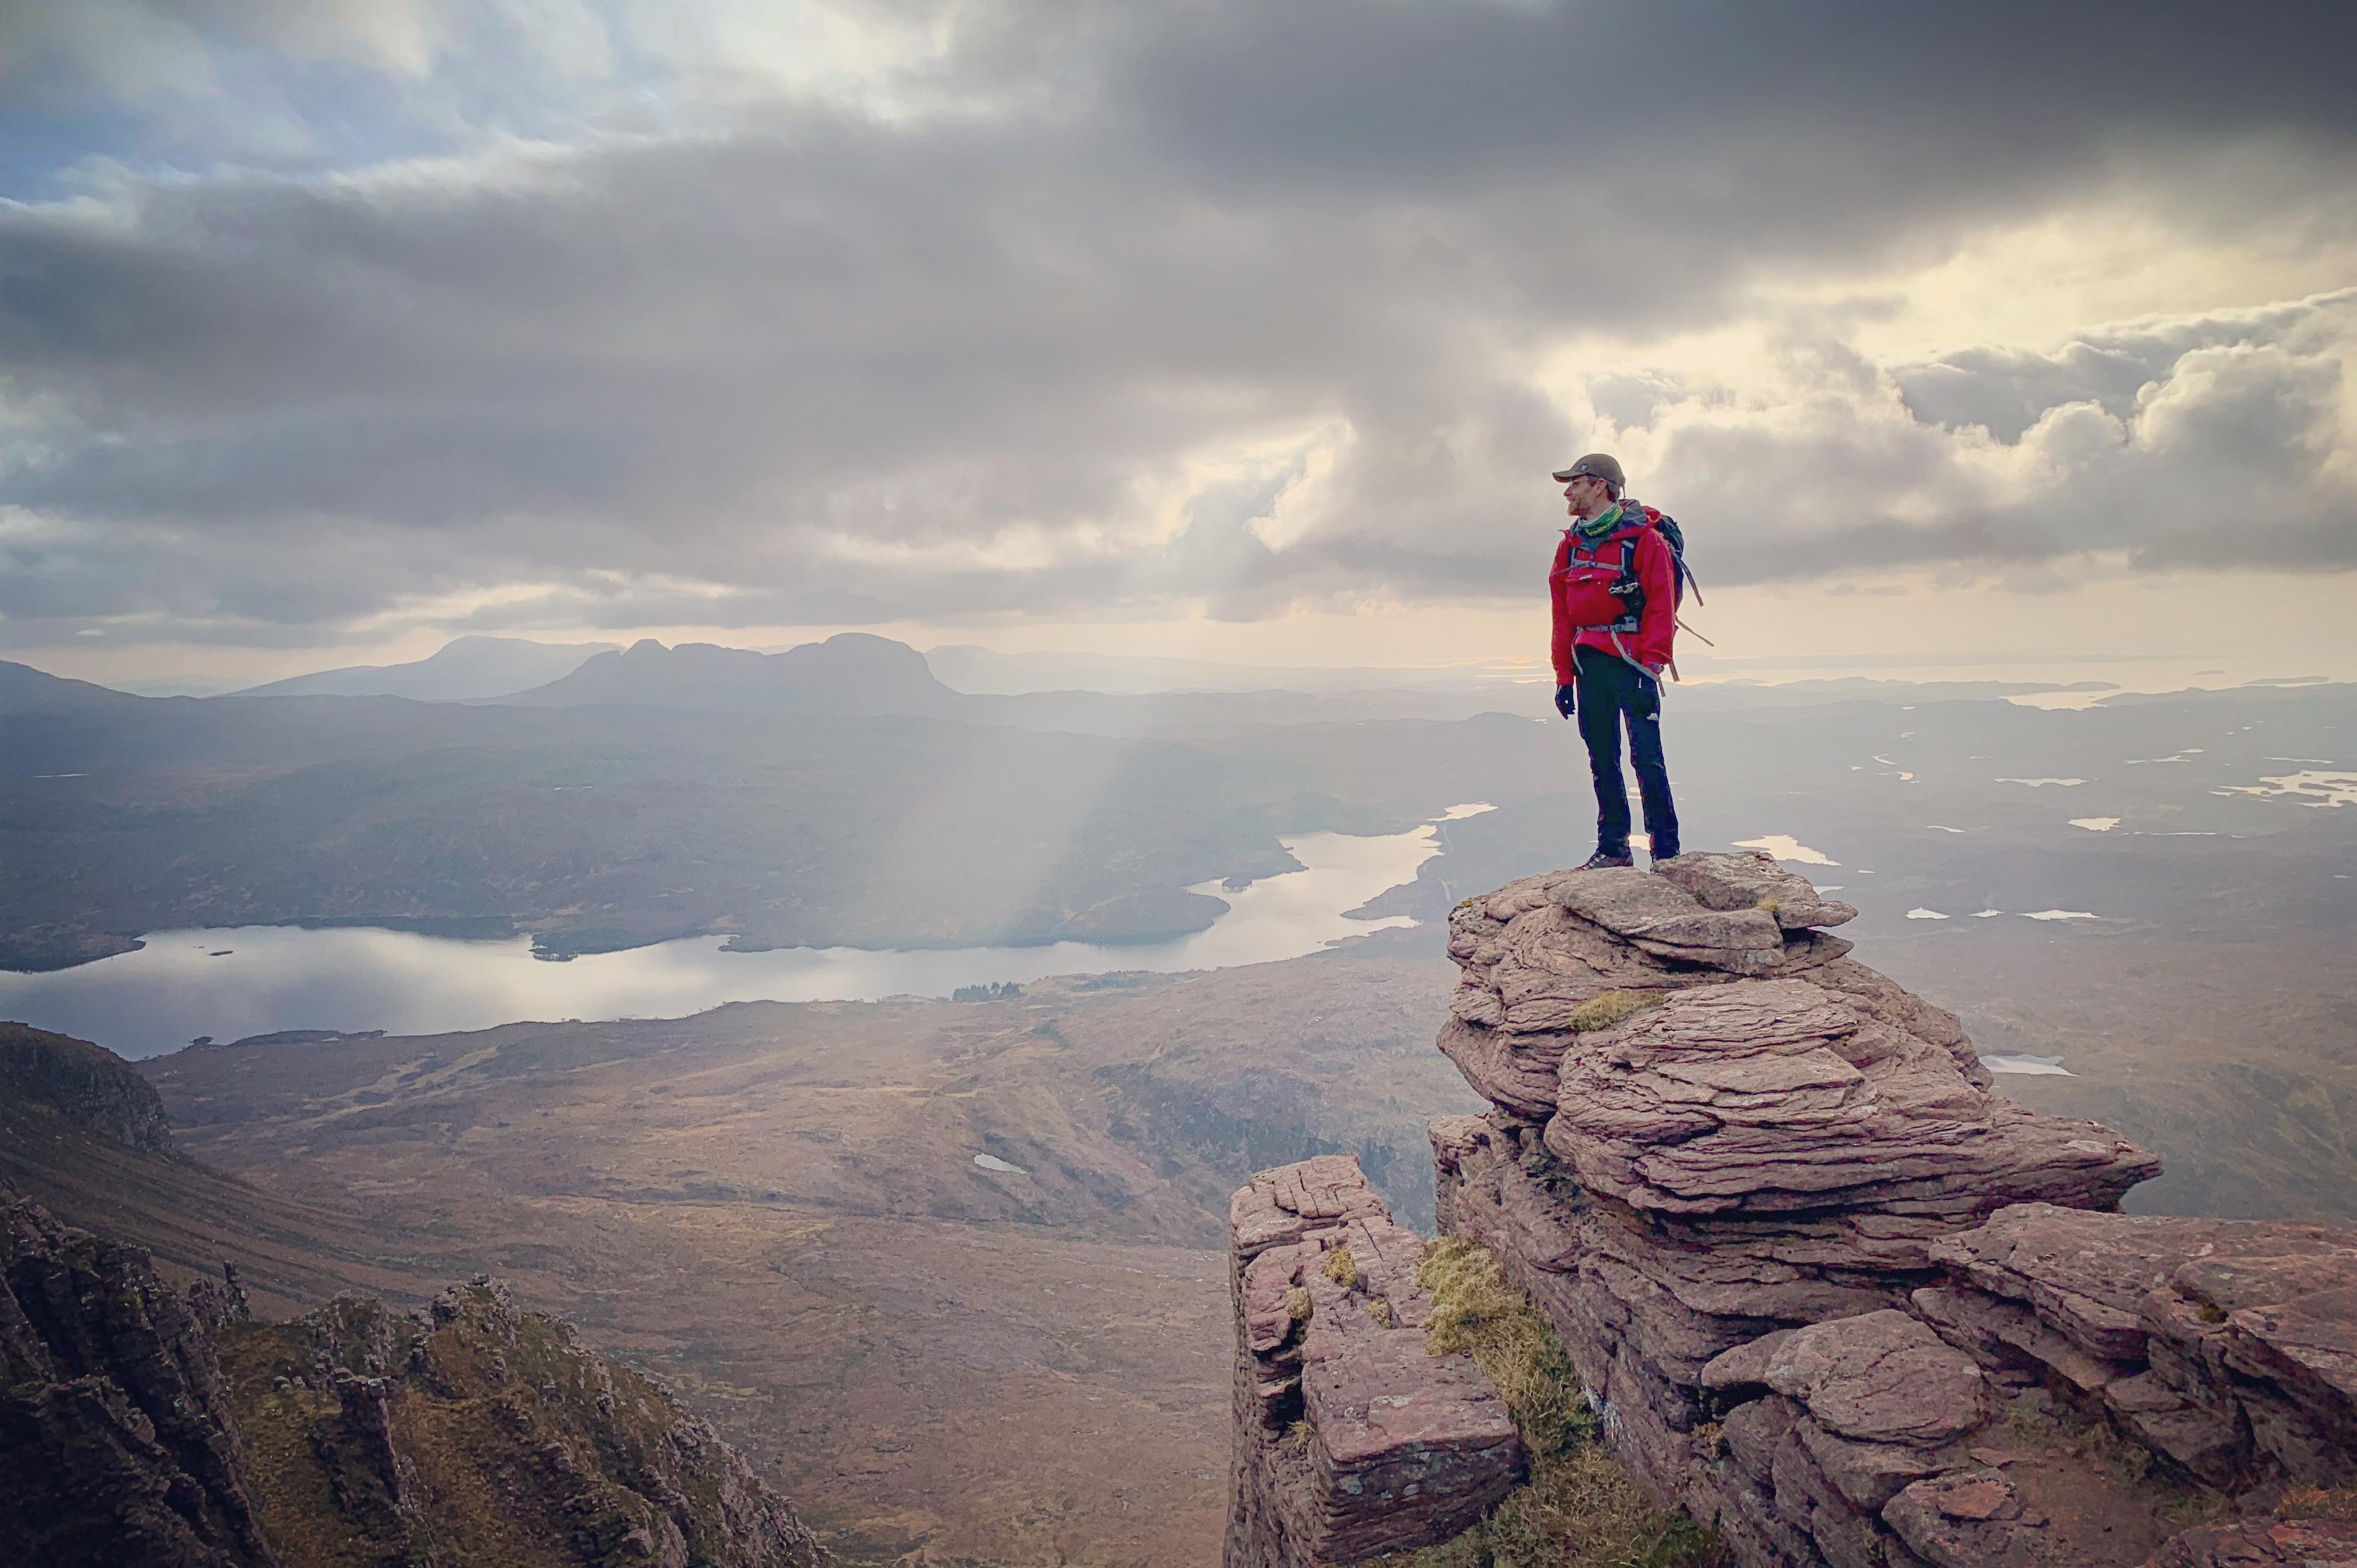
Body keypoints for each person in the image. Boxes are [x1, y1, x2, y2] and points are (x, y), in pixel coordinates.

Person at [1547, 452, 1681, 871]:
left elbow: (1661, 603)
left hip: (1633, 665)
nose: (1568, 492)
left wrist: (1653, 664)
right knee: (1602, 759)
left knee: (1647, 760)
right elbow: (1562, 616)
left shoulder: (1643, 541)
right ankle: (1614, 848)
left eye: (1575, 483)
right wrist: (1563, 678)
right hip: (1589, 666)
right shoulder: (1570, 547)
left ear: (1599, 485)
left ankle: (1667, 854)